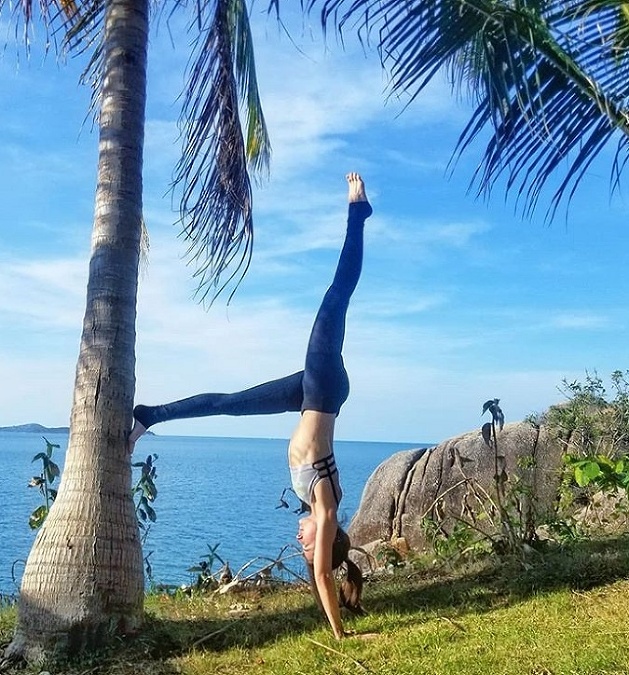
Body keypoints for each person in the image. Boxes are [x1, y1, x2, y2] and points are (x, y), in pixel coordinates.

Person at [129, 172, 372, 638]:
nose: (298, 538)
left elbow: (321, 569)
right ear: (323, 539)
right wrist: (341, 634)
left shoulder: (320, 503)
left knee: (229, 403)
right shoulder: (325, 508)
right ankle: (357, 214)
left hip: (309, 397)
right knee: (336, 297)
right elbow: (323, 575)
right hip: (322, 389)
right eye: (305, 544)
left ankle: (147, 417)